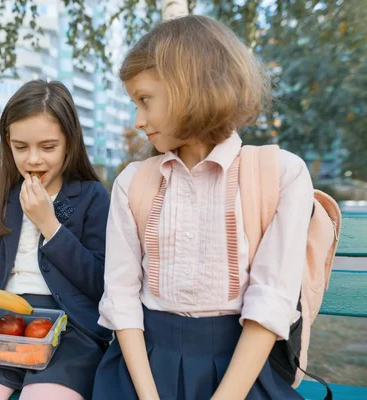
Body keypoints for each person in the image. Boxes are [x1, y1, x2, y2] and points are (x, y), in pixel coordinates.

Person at [93, 15, 312, 400]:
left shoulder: (281, 174)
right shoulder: (133, 182)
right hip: (142, 365)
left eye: (144, 100)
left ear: (187, 87)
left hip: (241, 371)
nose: (138, 120)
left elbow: (270, 302)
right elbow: (121, 296)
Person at [0, 80, 111, 400]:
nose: (33, 159)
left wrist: (51, 225)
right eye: (21, 147)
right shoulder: (3, 200)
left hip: (70, 336)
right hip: (2, 328)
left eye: (47, 147)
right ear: (8, 144)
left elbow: (100, 284)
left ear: (69, 143)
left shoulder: (91, 197)